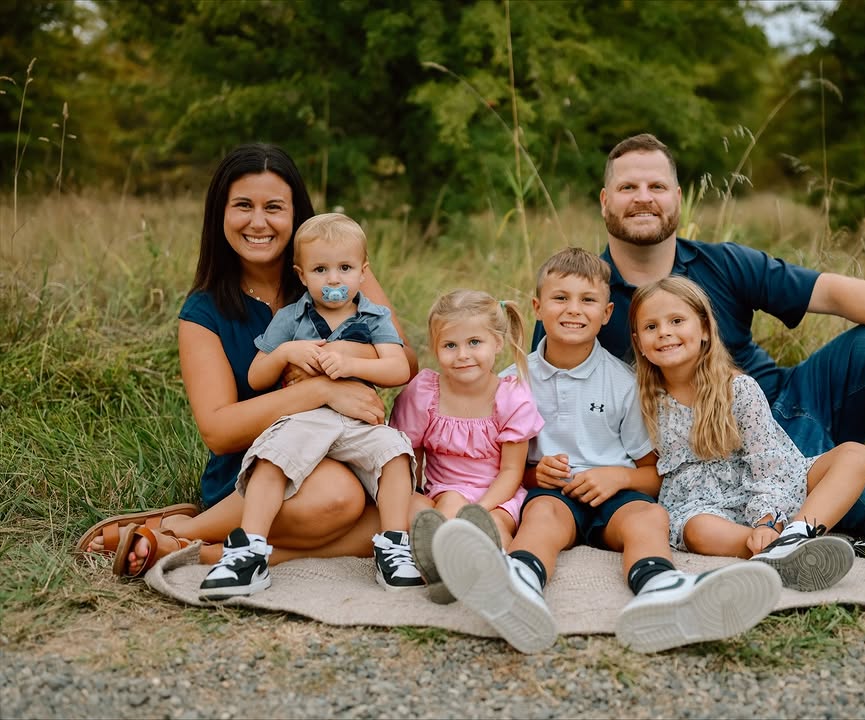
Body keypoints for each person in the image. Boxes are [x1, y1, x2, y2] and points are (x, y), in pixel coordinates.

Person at [533, 132, 865, 544]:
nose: (643, 198)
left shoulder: (723, 263)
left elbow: (835, 293)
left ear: (677, 199)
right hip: (706, 454)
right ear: (605, 201)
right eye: (627, 188)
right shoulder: (581, 299)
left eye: (657, 186)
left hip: (784, 403)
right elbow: (550, 399)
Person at [77, 143, 416, 576]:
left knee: (421, 514)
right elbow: (219, 431)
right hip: (258, 468)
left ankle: (185, 544)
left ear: (297, 214)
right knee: (338, 498)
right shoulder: (203, 313)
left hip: (350, 449)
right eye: (243, 206)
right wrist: (321, 390)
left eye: (274, 207)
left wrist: (347, 354)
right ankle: (194, 529)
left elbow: (406, 359)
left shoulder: (336, 271)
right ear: (221, 213)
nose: (258, 222)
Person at [430, 248, 782, 654]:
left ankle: (661, 590)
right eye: (560, 298)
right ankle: (519, 584)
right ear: (537, 308)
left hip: (616, 492)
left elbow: (653, 474)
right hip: (553, 495)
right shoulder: (512, 382)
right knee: (541, 515)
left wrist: (619, 477)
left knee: (651, 516)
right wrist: (535, 474)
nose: (574, 310)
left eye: (588, 300)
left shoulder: (624, 383)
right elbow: (505, 468)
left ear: (608, 313)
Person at [198, 212, 420, 599]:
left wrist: (351, 363)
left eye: (345, 268)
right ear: (302, 275)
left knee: (395, 452)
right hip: (304, 418)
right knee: (271, 457)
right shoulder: (290, 317)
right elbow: (256, 377)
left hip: (356, 420)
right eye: (321, 269)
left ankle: (395, 546)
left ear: (363, 272)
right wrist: (285, 352)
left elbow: (399, 366)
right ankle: (248, 549)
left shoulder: (373, 316)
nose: (333, 279)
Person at [631, 276, 865, 591]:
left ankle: (796, 535)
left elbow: (768, 462)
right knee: (699, 531)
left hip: (768, 484)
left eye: (677, 320)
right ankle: (779, 553)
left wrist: (767, 519)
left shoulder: (738, 389)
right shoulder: (643, 400)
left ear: (704, 329)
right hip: (702, 504)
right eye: (651, 327)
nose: (664, 332)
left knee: (856, 455)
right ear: (639, 343)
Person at [389, 290, 544, 603]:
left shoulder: (511, 397)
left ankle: (484, 571)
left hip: (497, 496)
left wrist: (479, 509)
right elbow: (408, 456)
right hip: (441, 489)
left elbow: (511, 471)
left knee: (495, 528)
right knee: (414, 511)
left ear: (497, 343)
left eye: (475, 342)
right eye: (450, 345)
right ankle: (445, 567)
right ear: (435, 348)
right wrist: (415, 494)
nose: (462, 354)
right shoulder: (425, 392)